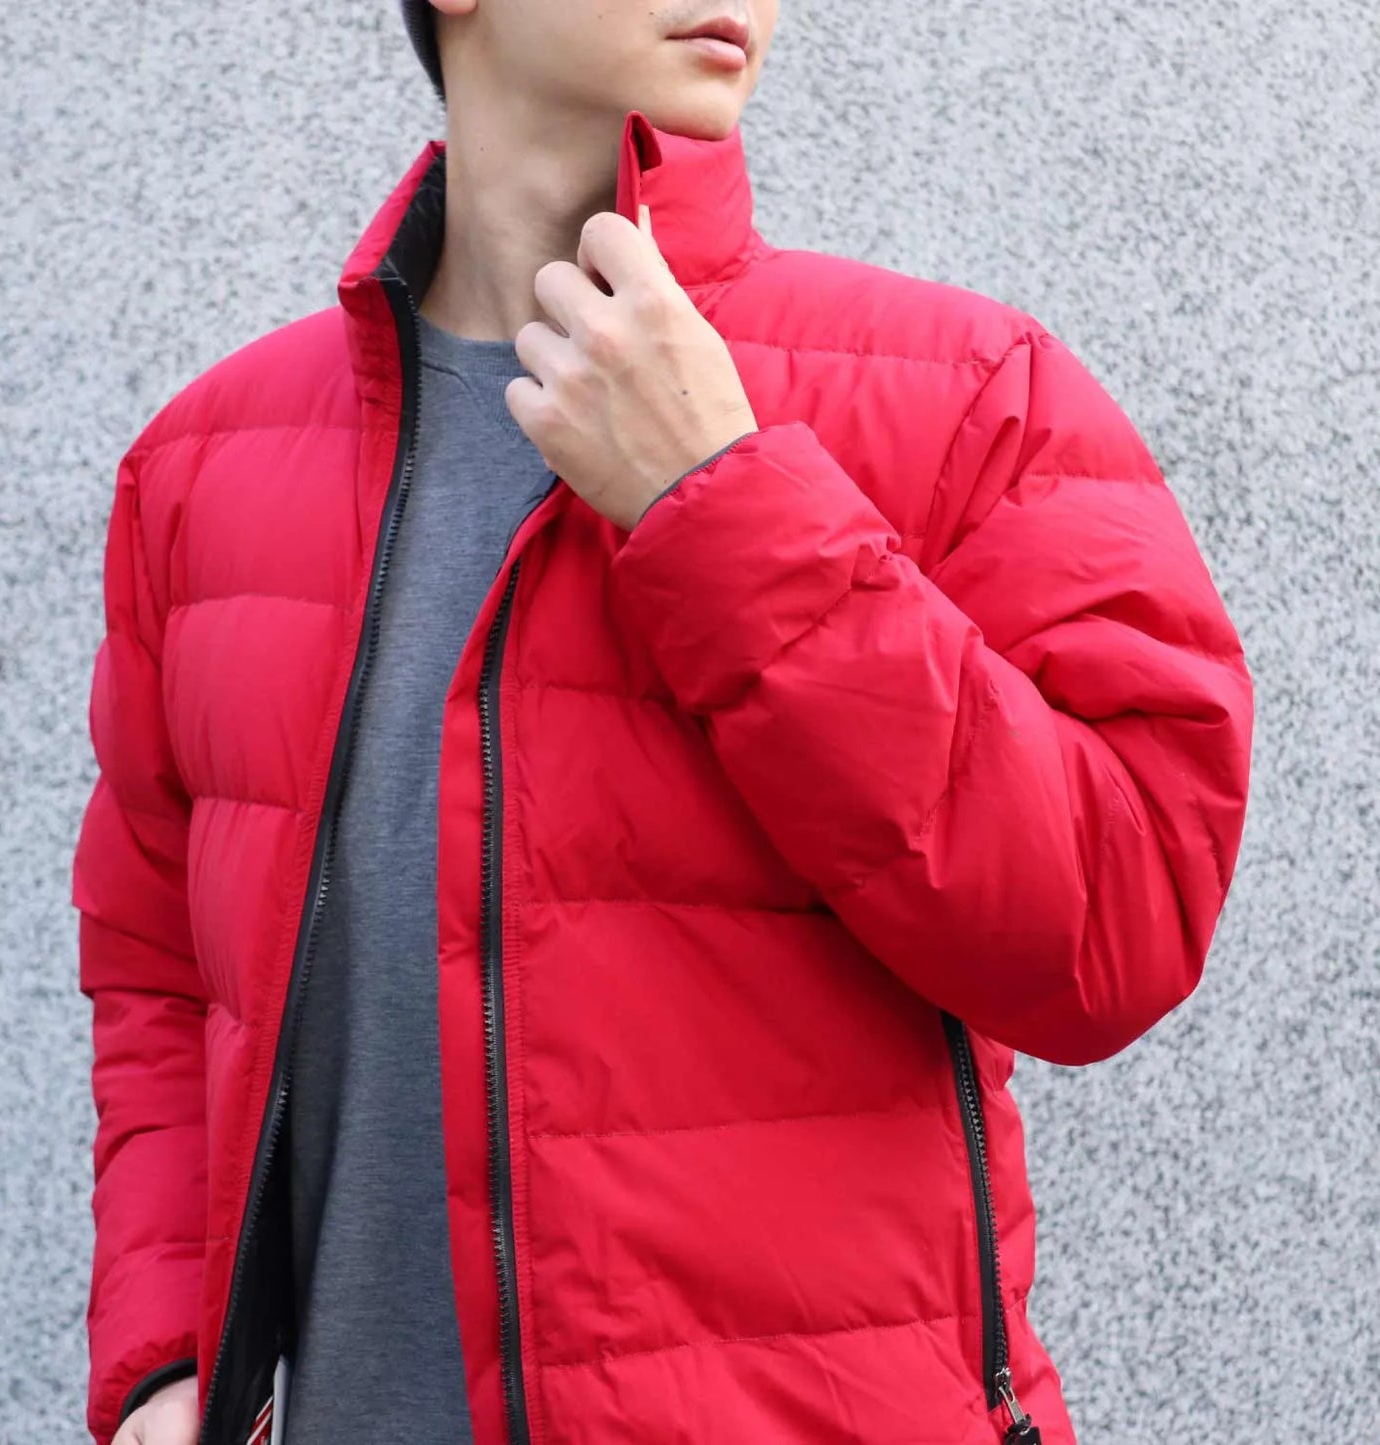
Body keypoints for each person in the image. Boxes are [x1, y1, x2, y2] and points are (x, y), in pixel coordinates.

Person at [72, 0, 1254, 1441]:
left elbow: (1119, 925)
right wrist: (165, 1359)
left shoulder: (961, 394)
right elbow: (155, 972)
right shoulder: (204, 469)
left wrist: (723, 500)